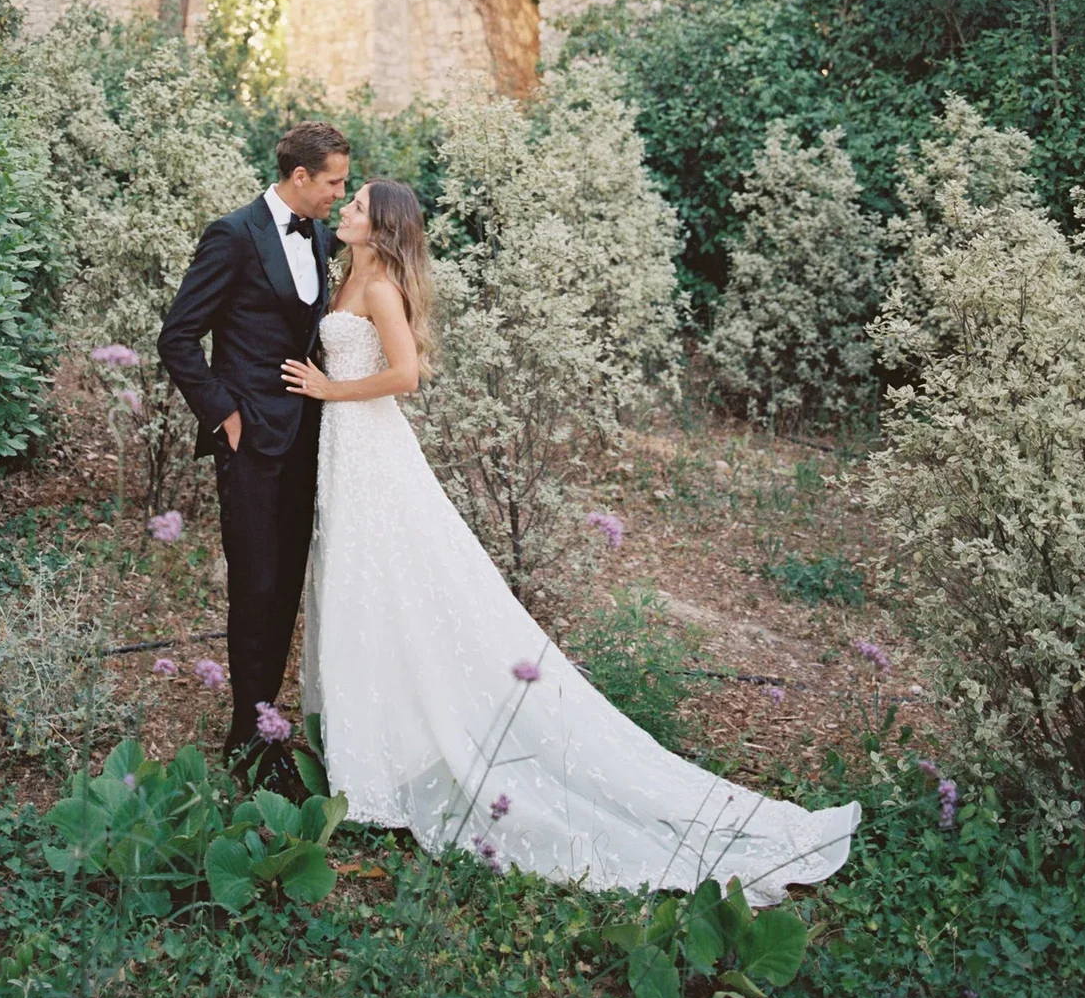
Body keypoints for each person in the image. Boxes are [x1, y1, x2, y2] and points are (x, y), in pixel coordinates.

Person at [282, 177, 860, 905]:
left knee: (392, 580)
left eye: (359, 205)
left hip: (371, 447)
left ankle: (397, 755)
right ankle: (374, 748)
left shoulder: (382, 287)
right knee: (363, 587)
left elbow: (406, 373)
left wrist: (329, 390)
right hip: (346, 450)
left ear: (383, 225)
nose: (347, 210)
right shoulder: (349, 271)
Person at [156, 120, 350, 786]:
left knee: (286, 587)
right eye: (333, 182)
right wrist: (225, 413)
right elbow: (178, 336)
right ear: (300, 176)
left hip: (307, 440)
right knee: (255, 585)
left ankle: (265, 726)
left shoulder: (321, 237)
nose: (338, 193)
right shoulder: (234, 236)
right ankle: (249, 740)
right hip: (252, 442)